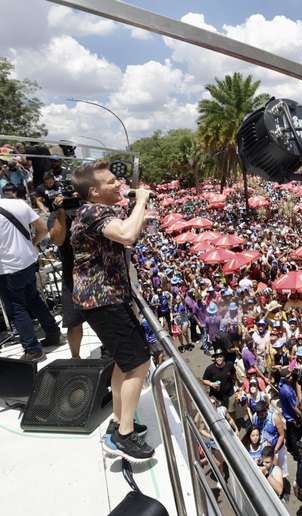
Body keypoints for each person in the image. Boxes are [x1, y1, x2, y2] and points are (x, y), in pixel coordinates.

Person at [71, 161, 153, 461]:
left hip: (108, 299)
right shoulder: (92, 211)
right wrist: (141, 200)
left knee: (124, 362)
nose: (118, 183)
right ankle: (124, 436)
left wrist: (137, 210)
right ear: (94, 192)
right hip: (102, 300)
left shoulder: (98, 211)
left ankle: (120, 420)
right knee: (139, 363)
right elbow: (127, 236)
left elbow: (132, 235)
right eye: (110, 182)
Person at [0, 191, 60, 361]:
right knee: (33, 298)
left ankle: (33, 350)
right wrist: (31, 243)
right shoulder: (18, 204)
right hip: (28, 259)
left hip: (8, 268)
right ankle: (53, 332)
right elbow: (42, 229)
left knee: (17, 307)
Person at [48, 191, 85, 359]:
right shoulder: (56, 216)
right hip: (72, 275)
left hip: (97, 273)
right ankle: (75, 357)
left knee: (105, 320)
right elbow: (58, 240)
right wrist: (61, 213)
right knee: (74, 322)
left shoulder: (91, 210)